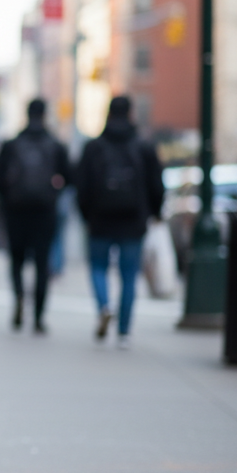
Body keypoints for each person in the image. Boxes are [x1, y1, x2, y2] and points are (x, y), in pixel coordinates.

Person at [75, 95, 164, 348]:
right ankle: (124, 331)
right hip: (133, 221)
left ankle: (104, 306)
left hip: (100, 220)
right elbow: (157, 185)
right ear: (130, 114)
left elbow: (81, 186)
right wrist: (156, 213)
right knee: (128, 275)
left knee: (98, 268)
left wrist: (86, 215)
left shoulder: (93, 148)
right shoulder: (143, 147)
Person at [0, 99, 71, 333]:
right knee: (42, 264)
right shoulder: (56, 145)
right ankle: (38, 316)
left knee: (16, 261)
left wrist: (7, 201)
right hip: (44, 213)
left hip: (16, 212)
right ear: (45, 114)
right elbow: (68, 177)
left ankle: (18, 301)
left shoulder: (12, 144)